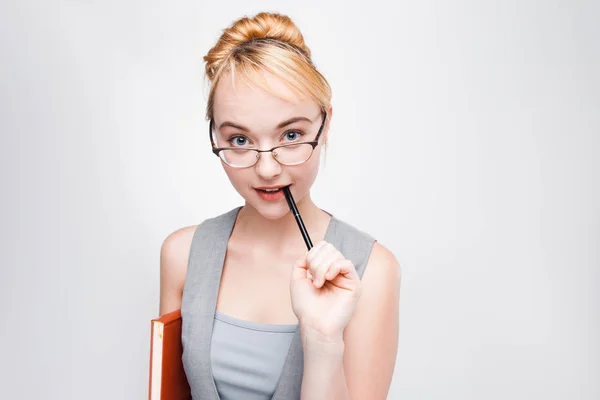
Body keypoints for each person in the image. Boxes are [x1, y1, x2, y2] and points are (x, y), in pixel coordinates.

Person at [159, 12, 401, 400]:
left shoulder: (372, 270)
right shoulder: (183, 253)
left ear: (325, 125)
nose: (267, 168)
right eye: (239, 140)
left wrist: (322, 342)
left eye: (291, 135)